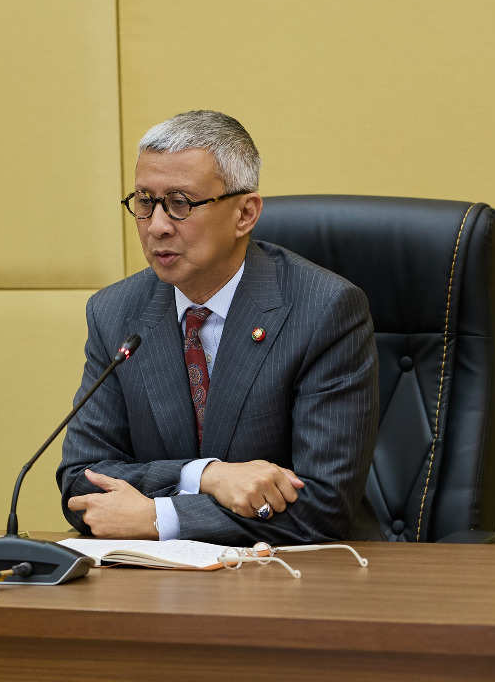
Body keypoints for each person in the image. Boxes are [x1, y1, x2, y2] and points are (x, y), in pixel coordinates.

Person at [59, 111, 380, 545]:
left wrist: (160, 517)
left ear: (245, 214)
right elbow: (82, 481)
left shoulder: (325, 310)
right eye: (145, 201)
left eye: (180, 203)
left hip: (301, 574)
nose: (156, 226)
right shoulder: (115, 312)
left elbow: (323, 506)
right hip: (154, 578)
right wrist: (204, 475)